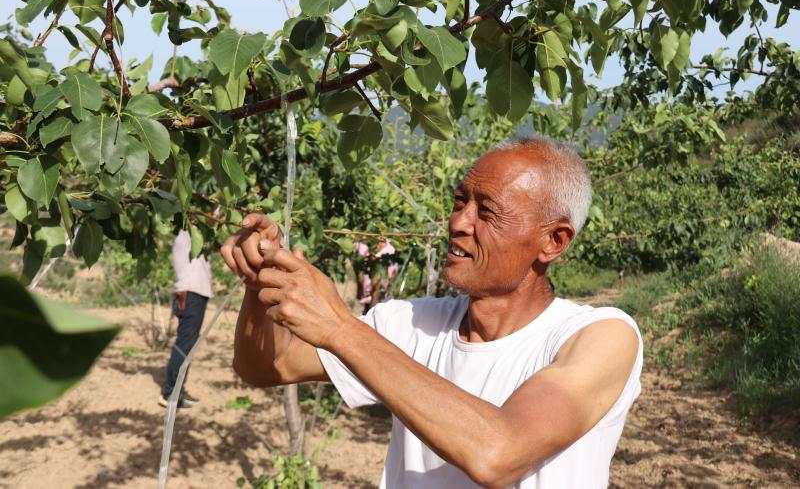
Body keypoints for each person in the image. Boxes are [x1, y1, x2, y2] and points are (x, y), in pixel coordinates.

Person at [221, 137, 643, 488]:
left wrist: (340, 327)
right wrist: (260, 278)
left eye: (487, 211)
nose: (459, 222)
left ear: (553, 241)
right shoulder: (411, 323)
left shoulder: (601, 337)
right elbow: (265, 367)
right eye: (461, 201)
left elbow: (499, 453)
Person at [159, 229, 214, 408]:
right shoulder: (188, 232)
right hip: (191, 293)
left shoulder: (196, 234)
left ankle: (177, 390)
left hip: (194, 293)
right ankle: (169, 393)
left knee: (188, 344)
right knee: (184, 344)